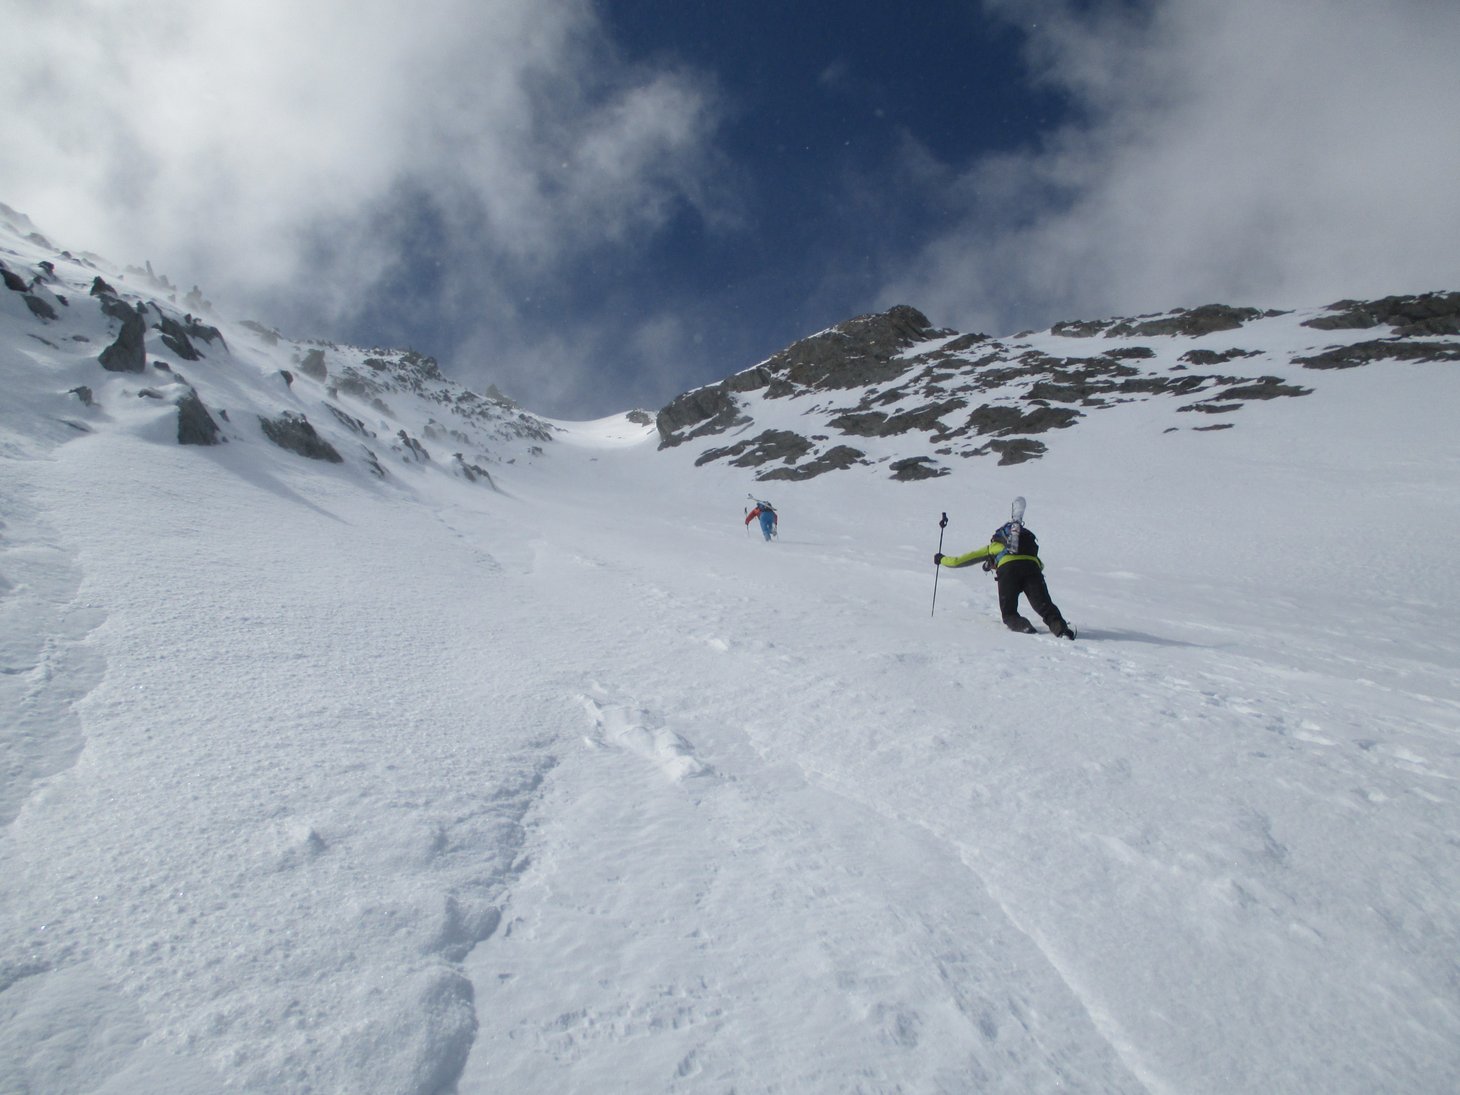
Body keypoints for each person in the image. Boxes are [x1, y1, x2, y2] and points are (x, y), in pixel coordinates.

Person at [935, 518, 1075, 638]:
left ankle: (1024, 627)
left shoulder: (994, 546)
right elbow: (1040, 565)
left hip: (1008, 572)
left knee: (1009, 613)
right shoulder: (1027, 548)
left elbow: (959, 561)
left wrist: (941, 559)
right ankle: (1062, 631)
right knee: (1045, 607)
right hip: (1032, 569)